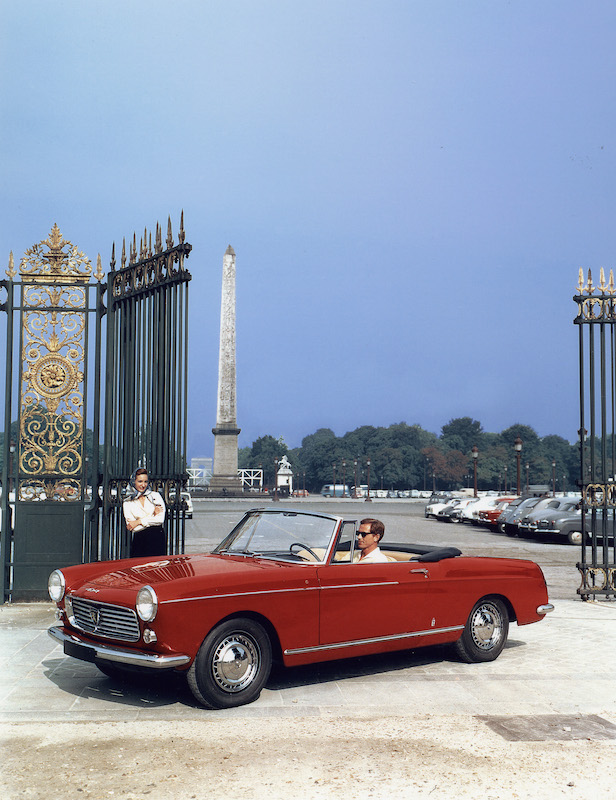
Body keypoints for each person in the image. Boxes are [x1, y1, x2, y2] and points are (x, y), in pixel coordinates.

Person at [123, 468, 166, 557]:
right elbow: (133, 527)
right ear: (133, 482)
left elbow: (160, 520)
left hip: (157, 539)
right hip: (139, 541)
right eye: (140, 481)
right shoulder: (127, 502)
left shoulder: (155, 496)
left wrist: (138, 521)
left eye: (145, 482)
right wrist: (153, 515)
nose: (143, 485)